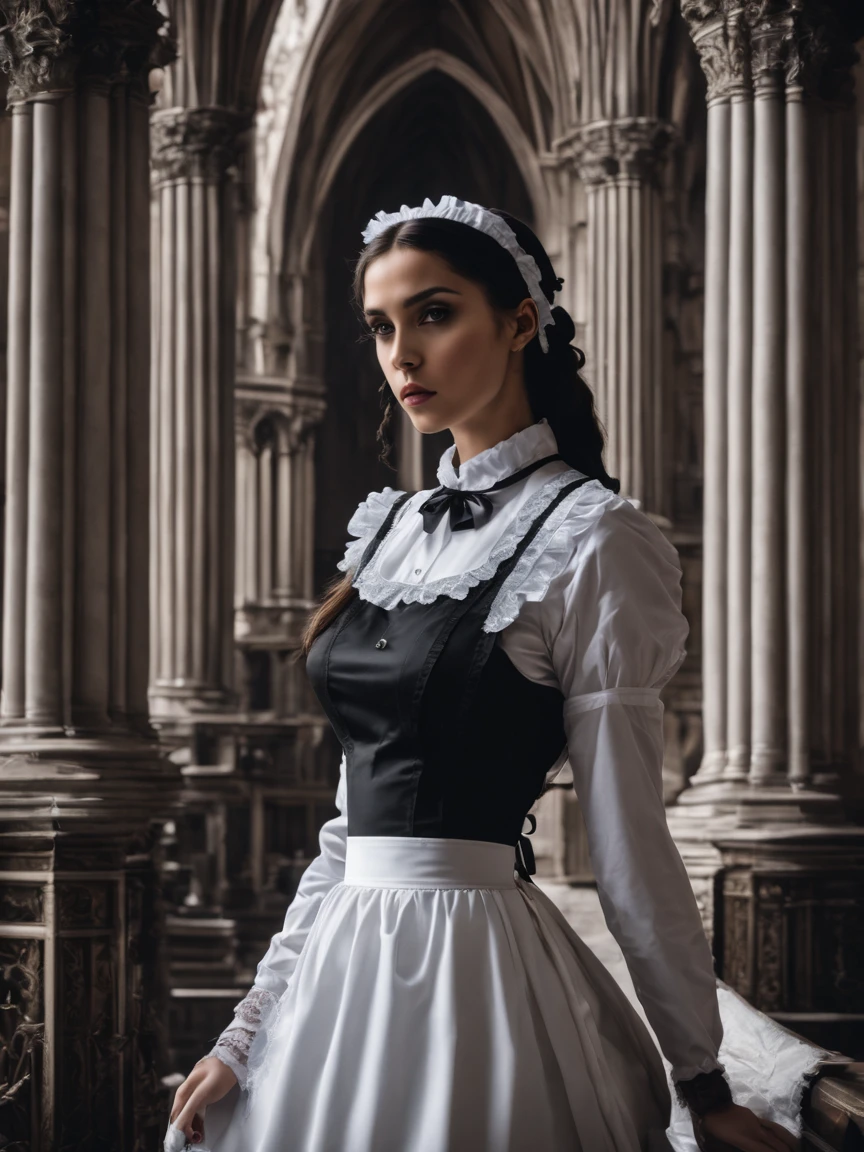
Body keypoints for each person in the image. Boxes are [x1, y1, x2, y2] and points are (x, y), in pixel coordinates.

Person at [165, 195, 805, 1152]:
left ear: (518, 321)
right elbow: (349, 829)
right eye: (381, 326)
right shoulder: (388, 529)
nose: (401, 355)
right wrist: (244, 1034)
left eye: (433, 312)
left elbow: (631, 845)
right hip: (336, 983)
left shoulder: (593, 538)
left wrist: (702, 1082)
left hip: (480, 975)